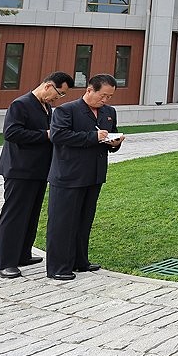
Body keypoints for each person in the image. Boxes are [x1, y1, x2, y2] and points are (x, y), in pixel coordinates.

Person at [0, 71, 74, 279]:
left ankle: (22, 254)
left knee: (31, 214)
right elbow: (11, 133)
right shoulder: (20, 104)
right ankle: (4, 263)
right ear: (48, 86)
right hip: (19, 170)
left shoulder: (46, 107)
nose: (59, 98)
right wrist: (45, 134)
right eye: (59, 93)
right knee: (15, 215)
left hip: (39, 170)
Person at [45, 74, 123, 281]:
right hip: (68, 176)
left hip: (94, 175)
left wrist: (115, 143)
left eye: (110, 96)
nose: (106, 100)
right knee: (63, 222)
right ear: (89, 90)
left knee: (84, 220)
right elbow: (58, 136)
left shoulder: (109, 112)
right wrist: (92, 137)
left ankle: (80, 261)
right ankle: (58, 267)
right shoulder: (66, 110)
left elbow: (110, 136)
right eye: (103, 95)